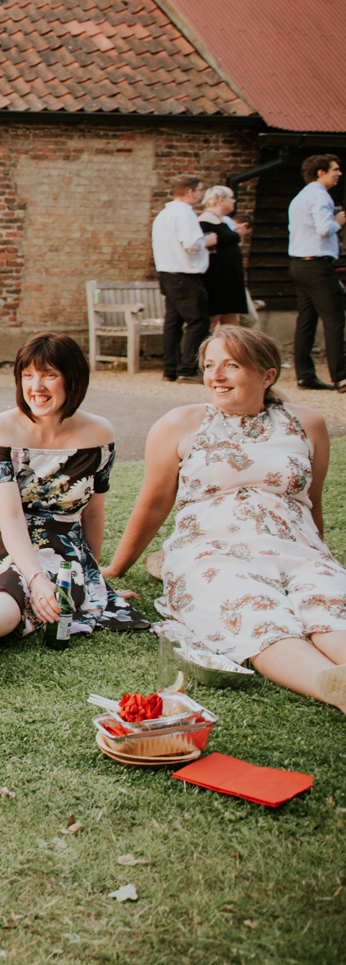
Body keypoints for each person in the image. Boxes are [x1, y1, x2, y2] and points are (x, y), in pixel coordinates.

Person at [103, 328, 346, 712]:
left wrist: (321, 557)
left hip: (298, 549)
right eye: (210, 365)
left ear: (267, 375)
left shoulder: (307, 423)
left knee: (330, 605)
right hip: (212, 552)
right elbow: (152, 504)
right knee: (253, 613)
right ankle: (331, 687)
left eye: (231, 366)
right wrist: (117, 567)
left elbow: (310, 502)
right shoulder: (180, 424)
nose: (215, 376)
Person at [0, 333, 135, 683]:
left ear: (74, 379)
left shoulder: (99, 433)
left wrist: (92, 580)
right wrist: (37, 578)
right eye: (27, 375)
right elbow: (12, 516)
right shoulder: (0, 428)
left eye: (49, 375)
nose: (37, 386)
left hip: (60, 543)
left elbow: (93, 509)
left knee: (19, 590)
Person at [287, 153, 346, 392]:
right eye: (335, 169)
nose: (339, 173)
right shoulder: (321, 196)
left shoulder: (301, 196)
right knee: (335, 317)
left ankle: (305, 374)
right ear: (321, 172)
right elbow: (324, 229)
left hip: (299, 263)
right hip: (316, 265)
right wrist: (339, 221)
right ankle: (341, 375)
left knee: (306, 320)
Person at [151, 173, 210, 383]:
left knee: (173, 323)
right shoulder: (185, 214)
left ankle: (170, 369)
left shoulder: (163, 215)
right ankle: (187, 368)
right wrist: (207, 241)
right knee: (199, 321)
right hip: (185, 273)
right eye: (201, 190)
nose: (202, 195)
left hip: (167, 273)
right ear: (191, 191)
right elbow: (191, 244)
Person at [198, 185, 251, 328]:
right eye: (232, 198)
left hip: (230, 277)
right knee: (214, 319)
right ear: (221, 200)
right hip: (217, 277)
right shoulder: (205, 221)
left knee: (233, 319)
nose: (234, 201)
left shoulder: (222, 220)